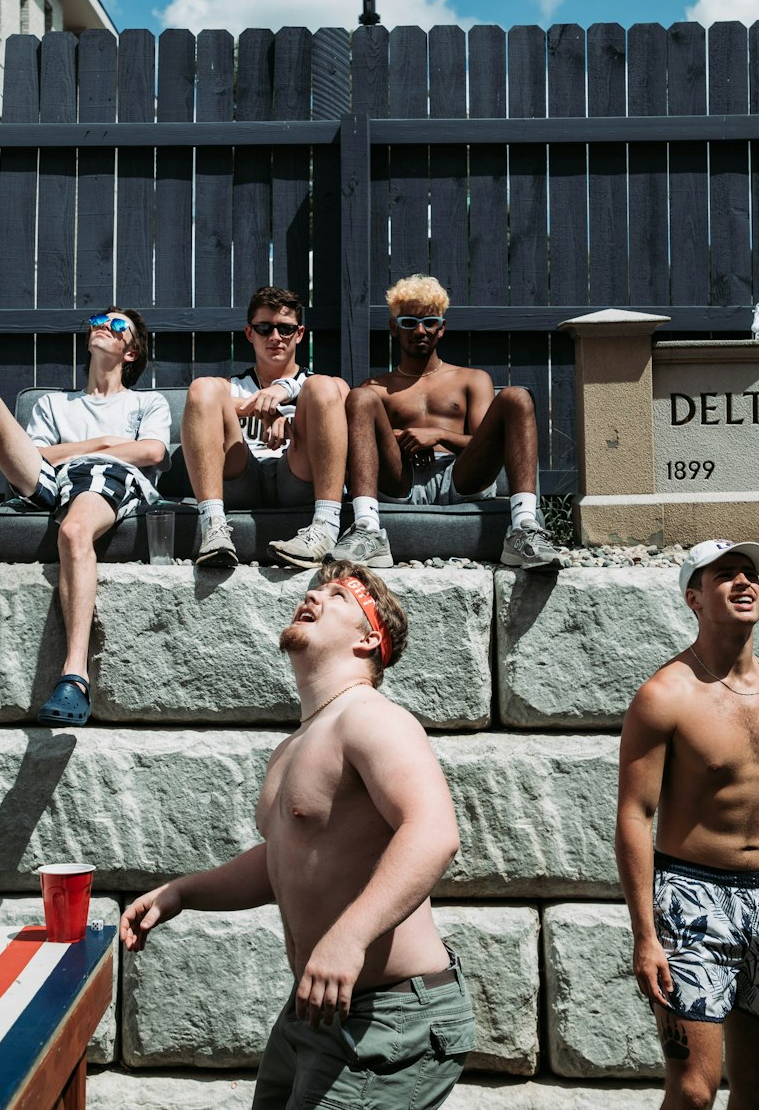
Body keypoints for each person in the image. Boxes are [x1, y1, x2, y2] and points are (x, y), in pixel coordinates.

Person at [120, 559, 475, 1109]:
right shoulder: (295, 746)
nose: (314, 595)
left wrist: (348, 937)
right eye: (315, 588)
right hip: (315, 1010)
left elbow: (433, 833)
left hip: (388, 1015)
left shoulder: (371, 718)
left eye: (337, 595)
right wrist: (183, 893)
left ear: (367, 640)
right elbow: (282, 863)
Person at [0, 309, 170, 728]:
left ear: (132, 352)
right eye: (98, 320)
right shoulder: (54, 404)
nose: (102, 327)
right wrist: (103, 441)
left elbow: (151, 453)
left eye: (116, 325)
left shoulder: (146, 402)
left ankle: (75, 677)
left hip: (108, 480)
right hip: (56, 480)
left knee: (74, 532)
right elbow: (36, 457)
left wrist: (85, 452)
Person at [615, 538, 759, 1110]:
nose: (744, 584)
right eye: (725, 576)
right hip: (695, 898)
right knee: (695, 1091)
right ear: (693, 598)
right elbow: (634, 815)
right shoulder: (664, 695)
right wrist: (645, 935)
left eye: (749, 574)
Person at [332, 274, 561, 571]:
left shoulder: (471, 379)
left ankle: (524, 529)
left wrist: (437, 435)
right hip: (400, 480)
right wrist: (401, 437)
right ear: (394, 328)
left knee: (516, 397)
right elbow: (367, 446)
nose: (420, 330)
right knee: (360, 398)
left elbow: (485, 443)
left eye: (429, 321)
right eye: (409, 323)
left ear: (441, 328)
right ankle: (367, 528)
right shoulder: (377, 387)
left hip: (461, 475)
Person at [180, 285, 348, 569]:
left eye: (285, 329)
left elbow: (342, 397)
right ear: (249, 333)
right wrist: (257, 409)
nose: (275, 338)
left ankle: (326, 527)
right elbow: (200, 404)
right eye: (264, 328)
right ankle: (213, 528)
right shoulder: (228, 388)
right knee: (201, 387)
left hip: (298, 475)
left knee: (322, 386)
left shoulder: (320, 387)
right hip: (242, 475)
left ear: (300, 333)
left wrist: (286, 401)